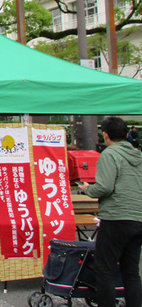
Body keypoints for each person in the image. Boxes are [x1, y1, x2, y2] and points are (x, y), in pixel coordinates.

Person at [79, 116, 142, 307]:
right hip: (138, 218)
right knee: (131, 271)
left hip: (116, 217)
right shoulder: (138, 155)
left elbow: (105, 187)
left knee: (104, 268)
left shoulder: (110, 154)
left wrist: (87, 189)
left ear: (105, 134)